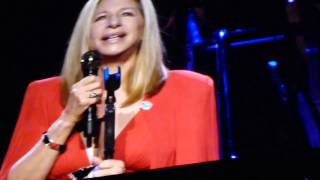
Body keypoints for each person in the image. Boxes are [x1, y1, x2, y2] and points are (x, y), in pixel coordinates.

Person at [0, 0, 220, 179]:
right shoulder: (44, 93)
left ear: (144, 26)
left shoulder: (188, 89)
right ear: (87, 31)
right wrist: (67, 119)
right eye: (101, 17)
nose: (113, 23)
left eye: (126, 14)